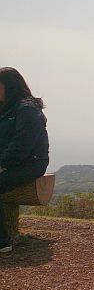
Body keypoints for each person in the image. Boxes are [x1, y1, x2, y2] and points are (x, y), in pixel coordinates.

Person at [0, 67, 49, 253]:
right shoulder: (6, 108)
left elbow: (21, 146)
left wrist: (2, 165)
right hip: (11, 162)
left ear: (9, 87)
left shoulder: (27, 109)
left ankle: (2, 243)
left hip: (31, 163)